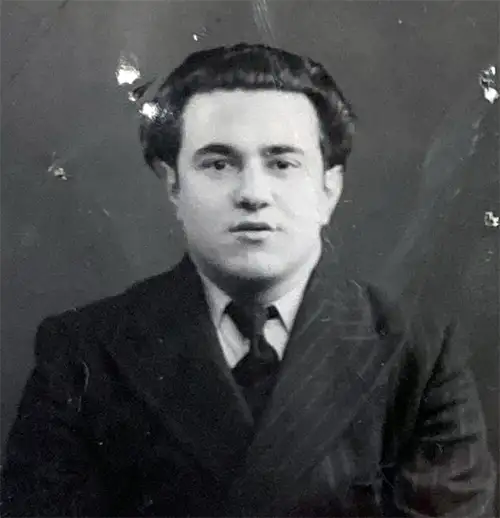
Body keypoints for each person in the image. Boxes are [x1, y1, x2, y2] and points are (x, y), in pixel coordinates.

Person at [1, 43, 495, 517]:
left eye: (282, 163)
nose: (253, 193)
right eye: (218, 164)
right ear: (172, 183)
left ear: (330, 186)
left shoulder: (419, 355)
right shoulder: (82, 352)